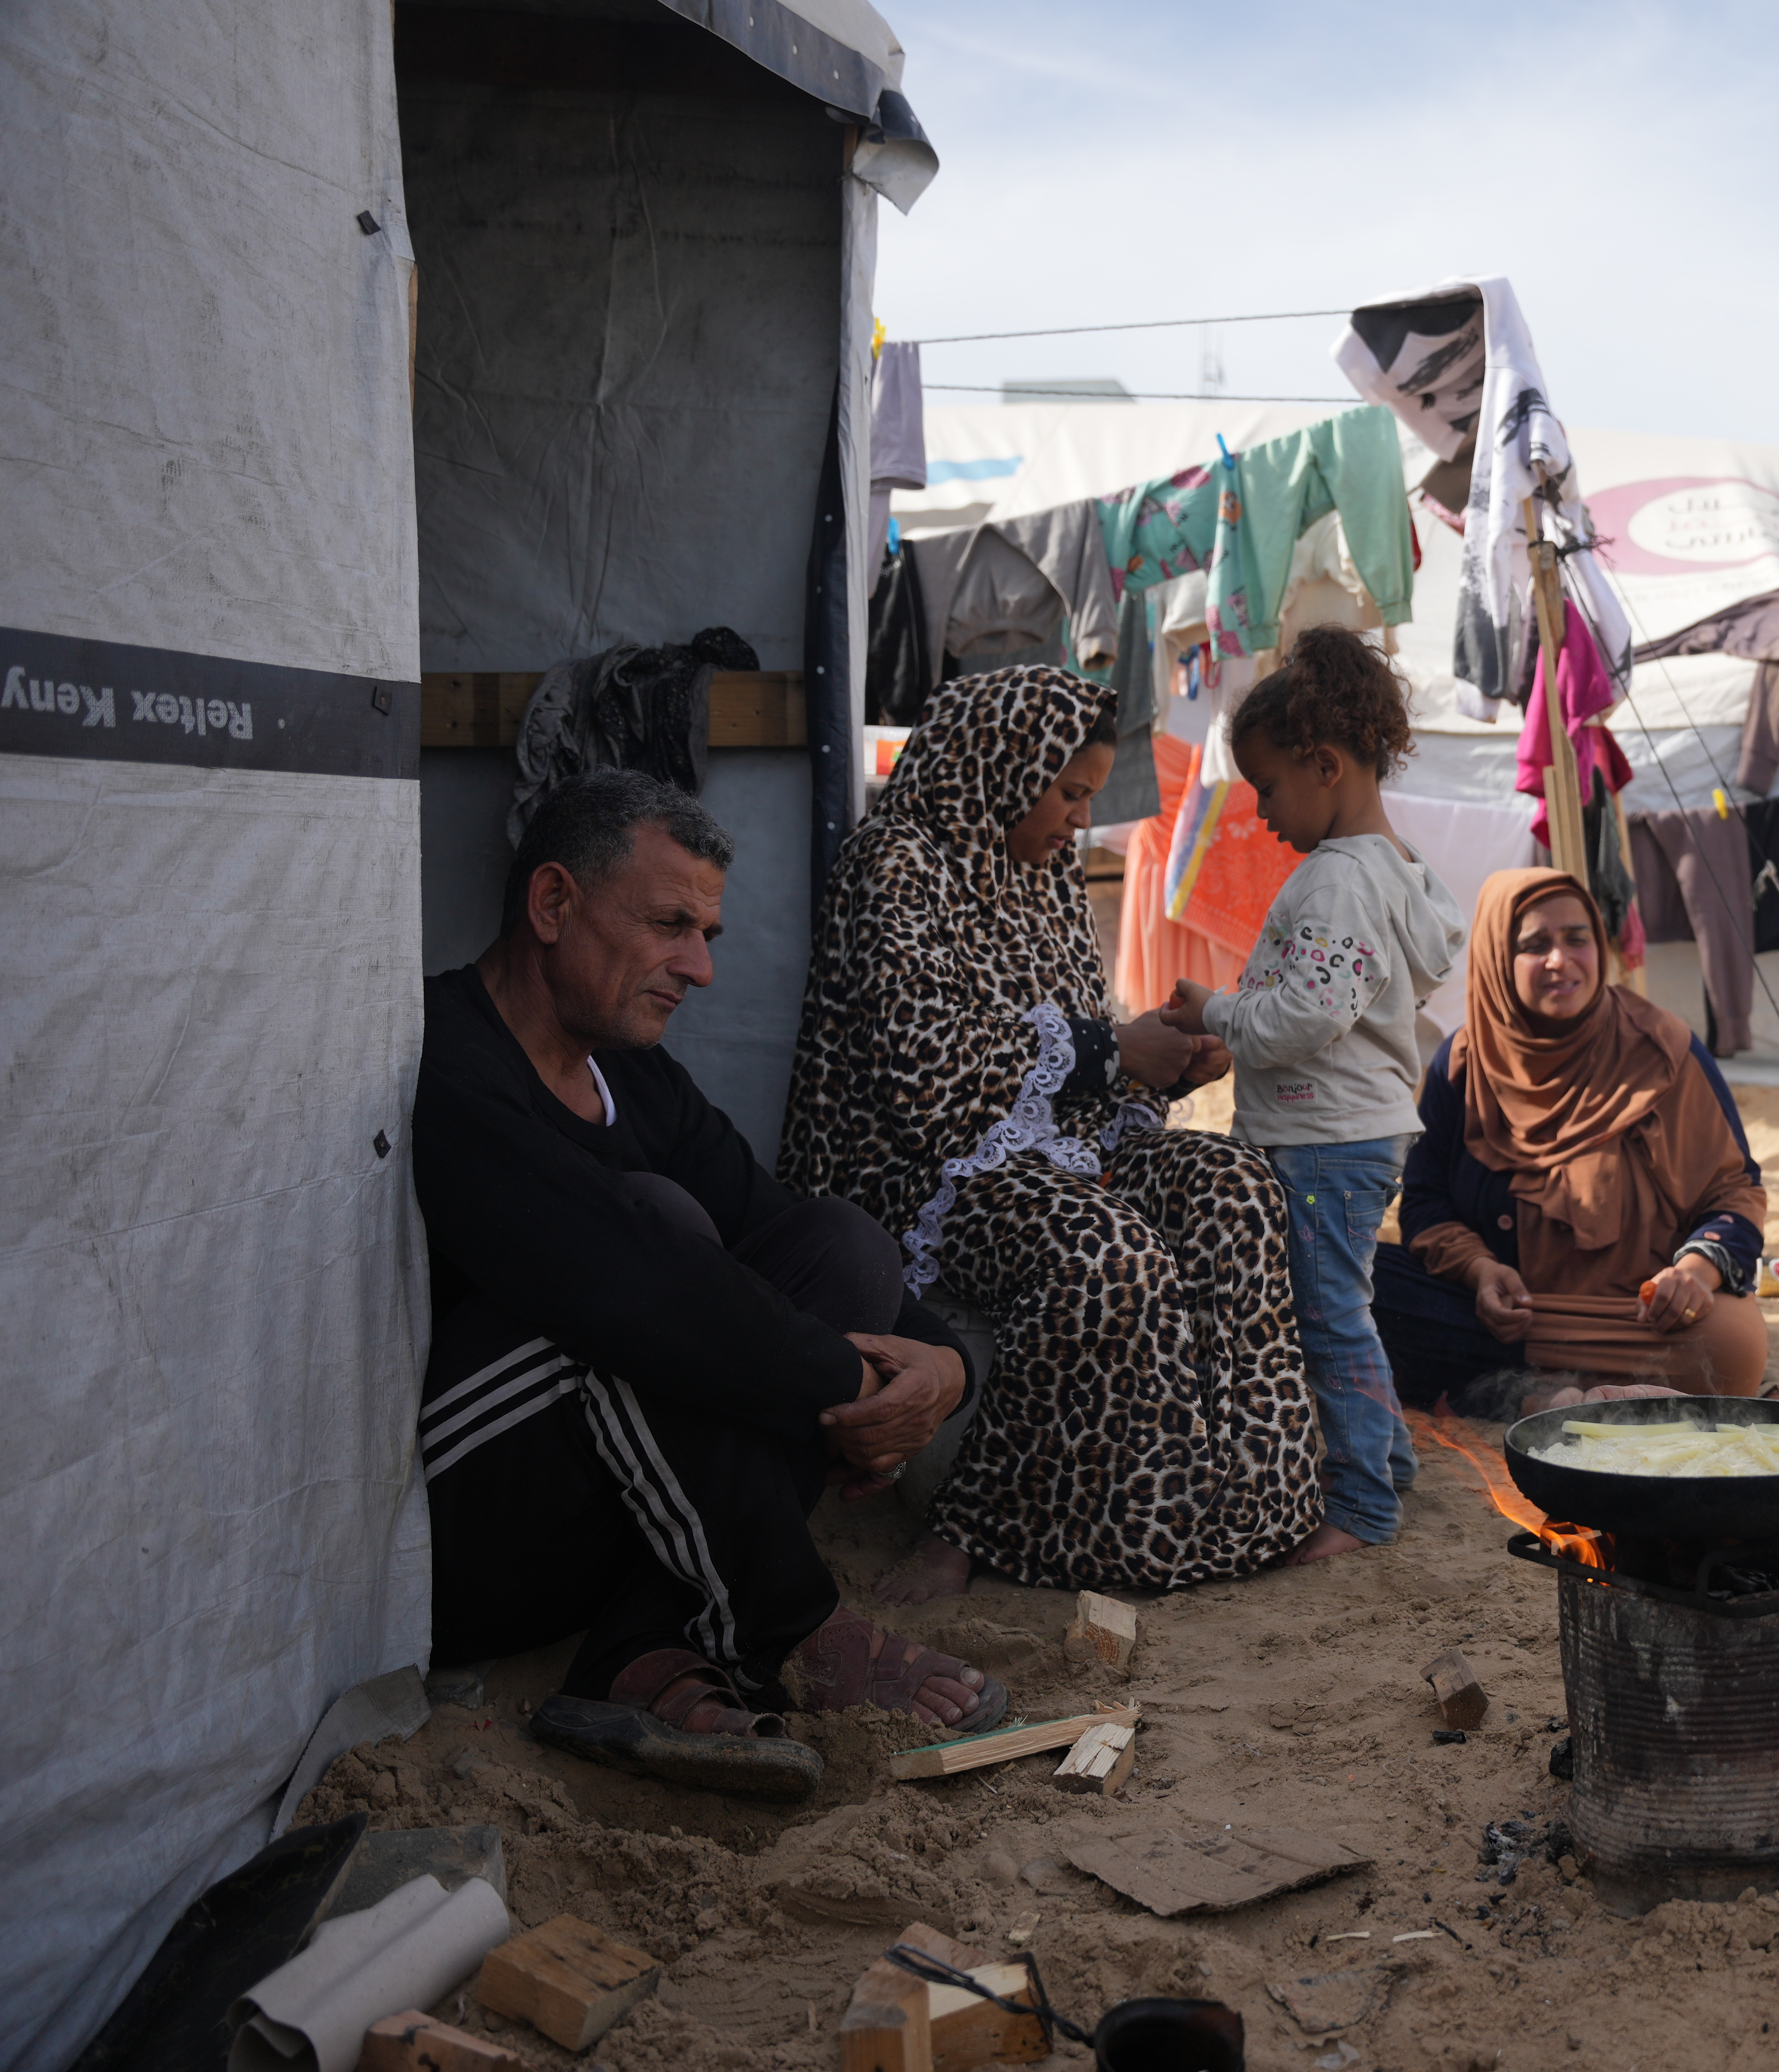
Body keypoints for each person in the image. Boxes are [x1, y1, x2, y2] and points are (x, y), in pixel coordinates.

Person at [413, 769, 1005, 1800]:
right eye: (668, 925)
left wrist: (938, 1369)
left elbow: (780, 1235)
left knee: (844, 1250)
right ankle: (792, 1623)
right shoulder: (448, 1061)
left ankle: (641, 1652)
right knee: (657, 1244)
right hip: (474, 1534)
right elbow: (636, 1285)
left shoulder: (631, 1072)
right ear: (553, 905)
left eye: (709, 935)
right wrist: (849, 1389)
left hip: (619, 1520)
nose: (699, 968)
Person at [781, 664, 1324, 1603]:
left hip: (1060, 1152)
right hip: (920, 1169)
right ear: (1000, 766)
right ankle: (966, 1533)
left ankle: (1239, 1501)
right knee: (1105, 1252)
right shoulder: (896, 864)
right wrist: (1116, 1053)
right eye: (1068, 793)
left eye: (1086, 797)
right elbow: (927, 1073)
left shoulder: (1048, 877)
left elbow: (1087, 1054)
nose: (1079, 819)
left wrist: (1166, 1064)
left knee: (1236, 1188)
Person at [1159, 630, 1465, 1562]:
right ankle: (1392, 1459)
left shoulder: (1334, 882)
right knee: (1345, 1304)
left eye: (1268, 787)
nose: (1260, 812)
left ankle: (1362, 1506)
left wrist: (1216, 1008)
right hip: (1356, 1133)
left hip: (1328, 1140)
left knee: (1328, 1312)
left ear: (1326, 766)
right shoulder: (1400, 870)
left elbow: (1305, 1018)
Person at [1372, 867, 1770, 1420]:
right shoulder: (1463, 1065)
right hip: (1505, 1322)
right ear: (1497, 959)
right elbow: (1423, 1203)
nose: (1561, 961)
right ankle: (1538, 1387)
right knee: (1367, 1282)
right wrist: (1480, 1271)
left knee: (1731, 1341)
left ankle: (1521, 1390)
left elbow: (1736, 1190)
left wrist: (1697, 1269)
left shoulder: (1664, 1050)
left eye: (1577, 939)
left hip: (1637, 1321)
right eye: (1535, 946)